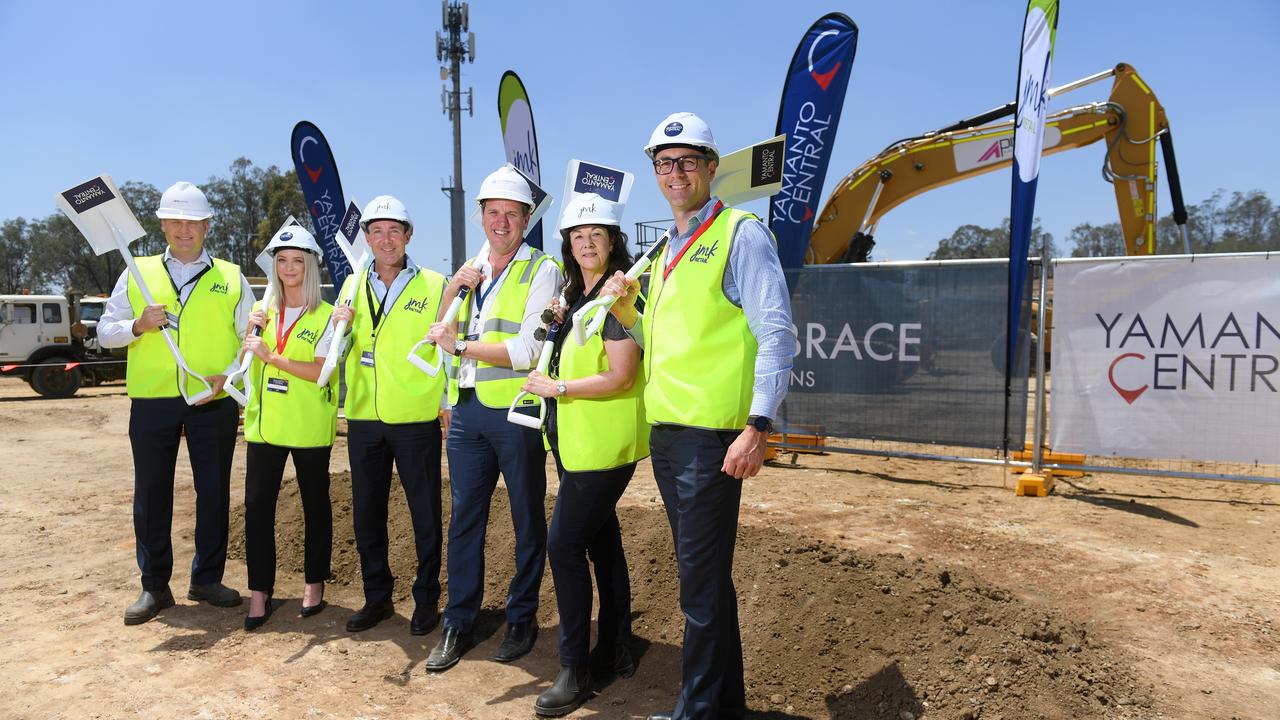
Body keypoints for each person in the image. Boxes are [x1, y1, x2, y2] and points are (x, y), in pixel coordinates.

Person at [601, 113, 796, 720]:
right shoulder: (665, 250)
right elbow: (661, 342)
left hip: (713, 441)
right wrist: (629, 312)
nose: (675, 173)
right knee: (706, 581)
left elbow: (777, 334)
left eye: (687, 161)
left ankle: (699, 711)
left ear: (712, 169)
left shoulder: (740, 233)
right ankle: (719, 705)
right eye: (664, 163)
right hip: (670, 438)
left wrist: (757, 428)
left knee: (699, 587)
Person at [424, 164, 563, 672]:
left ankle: (522, 616)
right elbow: (440, 335)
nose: (501, 222)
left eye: (511, 214)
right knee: (465, 522)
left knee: (528, 519)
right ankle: (457, 622)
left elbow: (528, 349)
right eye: (493, 213)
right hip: (466, 415)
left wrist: (460, 343)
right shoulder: (470, 268)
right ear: (481, 217)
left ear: (526, 219)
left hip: (515, 414)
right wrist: (452, 291)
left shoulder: (541, 269)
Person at [98, 181, 253, 624]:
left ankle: (206, 578)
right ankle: (154, 587)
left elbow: (251, 336)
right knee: (151, 493)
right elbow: (104, 333)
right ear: (162, 225)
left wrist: (232, 376)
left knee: (214, 491)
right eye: (175, 221)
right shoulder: (135, 272)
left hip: (212, 398)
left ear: (207, 226)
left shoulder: (231, 276)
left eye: (193, 222)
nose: (184, 229)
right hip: (153, 400)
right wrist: (138, 325)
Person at [522, 192, 648, 717]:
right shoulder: (576, 296)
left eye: (596, 235)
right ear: (568, 245)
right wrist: (554, 324)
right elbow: (557, 348)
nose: (587, 242)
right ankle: (617, 647)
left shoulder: (620, 297)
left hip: (604, 445)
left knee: (564, 546)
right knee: (601, 543)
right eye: (578, 236)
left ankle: (574, 669)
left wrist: (559, 389)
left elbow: (621, 374)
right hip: (575, 442)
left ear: (613, 241)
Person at [327, 196, 449, 636]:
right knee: (367, 514)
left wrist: (447, 401)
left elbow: (448, 347)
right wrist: (338, 325)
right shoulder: (352, 282)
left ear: (408, 235)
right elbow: (334, 350)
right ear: (366, 238)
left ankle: (426, 600)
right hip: (364, 419)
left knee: (425, 515)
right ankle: (376, 598)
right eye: (376, 231)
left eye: (394, 230)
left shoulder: (435, 283)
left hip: (415, 418)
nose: (385, 239)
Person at [239, 226, 339, 631]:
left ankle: (314, 584)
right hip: (264, 427)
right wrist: (251, 335)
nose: (289, 267)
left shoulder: (330, 315)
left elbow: (320, 371)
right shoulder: (263, 314)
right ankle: (260, 591)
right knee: (257, 509)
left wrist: (271, 356)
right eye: (282, 260)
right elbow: (246, 362)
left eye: (298, 260)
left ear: (310, 266)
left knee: (315, 506)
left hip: (308, 426)